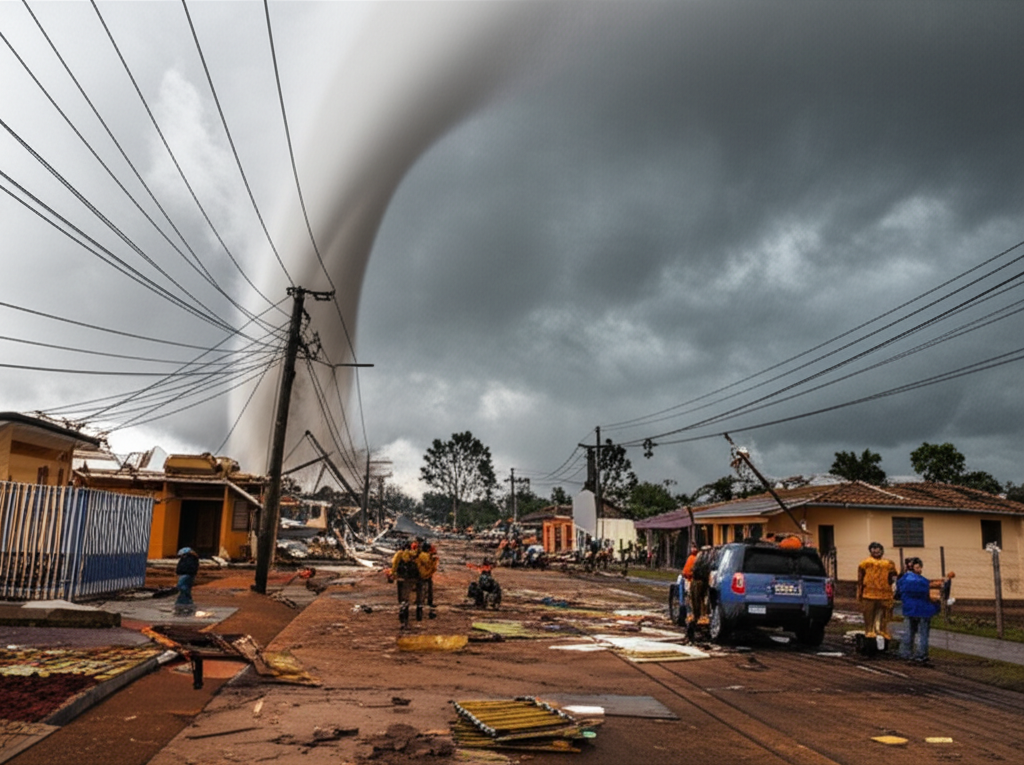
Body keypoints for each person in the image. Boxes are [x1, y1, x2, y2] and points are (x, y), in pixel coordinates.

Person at [896, 558, 955, 665]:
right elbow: (935, 587)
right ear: (913, 567)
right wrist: (946, 581)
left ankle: (905, 652)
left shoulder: (903, 580)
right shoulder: (922, 581)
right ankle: (921, 654)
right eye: (918, 567)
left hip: (909, 609)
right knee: (923, 634)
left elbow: (898, 593)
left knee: (909, 632)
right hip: (923, 610)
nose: (920, 569)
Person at [856, 542, 898, 647]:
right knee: (869, 613)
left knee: (885, 614)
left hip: (885, 593)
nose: (876, 551)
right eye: (873, 549)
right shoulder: (865, 563)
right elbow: (860, 579)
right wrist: (859, 592)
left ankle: (882, 629)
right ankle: (869, 630)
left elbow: (893, 576)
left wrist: (894, 584)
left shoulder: (889, 563)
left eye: (878, 548)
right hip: (869, 593)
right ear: (870, 550)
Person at [415, 538, 439, 620]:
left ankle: (420, 609)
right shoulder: (426, 557)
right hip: (426, 576)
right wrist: (434, 560)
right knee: (426, 592)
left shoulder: (419, 555)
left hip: (420, 576)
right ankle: (423, 609)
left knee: (420, 594)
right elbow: (431, 566)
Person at [174, 547, 200, 616]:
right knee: (184, 588)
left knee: (182, 588)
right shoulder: (187, 559)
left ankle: (184, 603)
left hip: (186, 575)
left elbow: (187, 568)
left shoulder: (190, 559)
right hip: (185, 575)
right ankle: (185, 602)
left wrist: (181, 572)